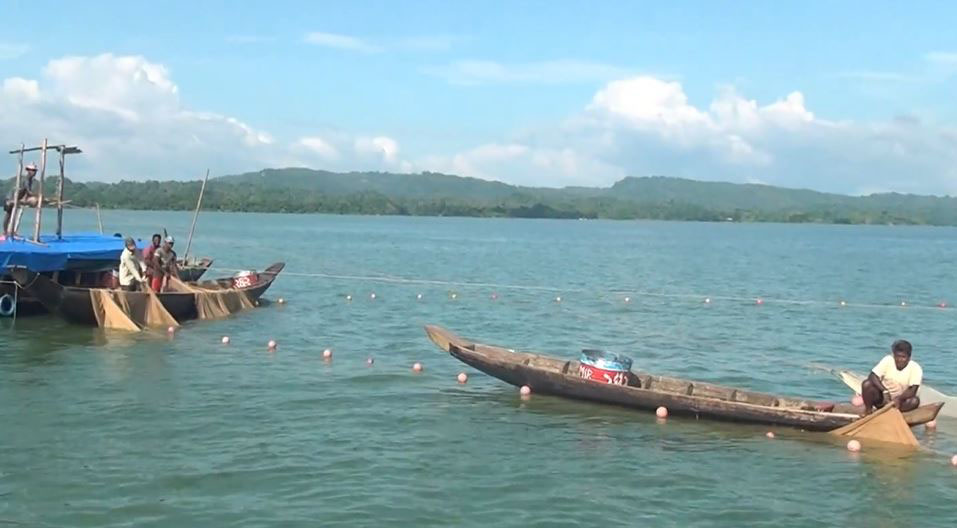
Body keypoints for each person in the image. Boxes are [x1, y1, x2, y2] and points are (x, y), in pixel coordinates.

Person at [860, 339, 922, 414]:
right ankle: (868, 411)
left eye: (903, 357)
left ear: (909, 357)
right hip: (883, 399)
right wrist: (884, 391)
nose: (900, 360)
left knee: (915, 401)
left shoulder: (915, 368)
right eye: (897, 356)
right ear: (894, 355)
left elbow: (913, 390)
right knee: (867, 384)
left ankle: (896, 414)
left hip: (901, 402)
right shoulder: (888, 360)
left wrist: (899, 399)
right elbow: (873, 376)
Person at [2, 163, 38, 235]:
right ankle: (5, 232)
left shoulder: (30, 180)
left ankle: (10, 231)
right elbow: (29, 192)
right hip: (10, 198)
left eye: (35, 170)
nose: (34, 172)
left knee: (12, 215)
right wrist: (37, 195)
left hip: (16, 198)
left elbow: (27, 193)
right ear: (28, 171)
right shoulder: (26, 179)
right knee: (8, 215)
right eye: (33, 170)